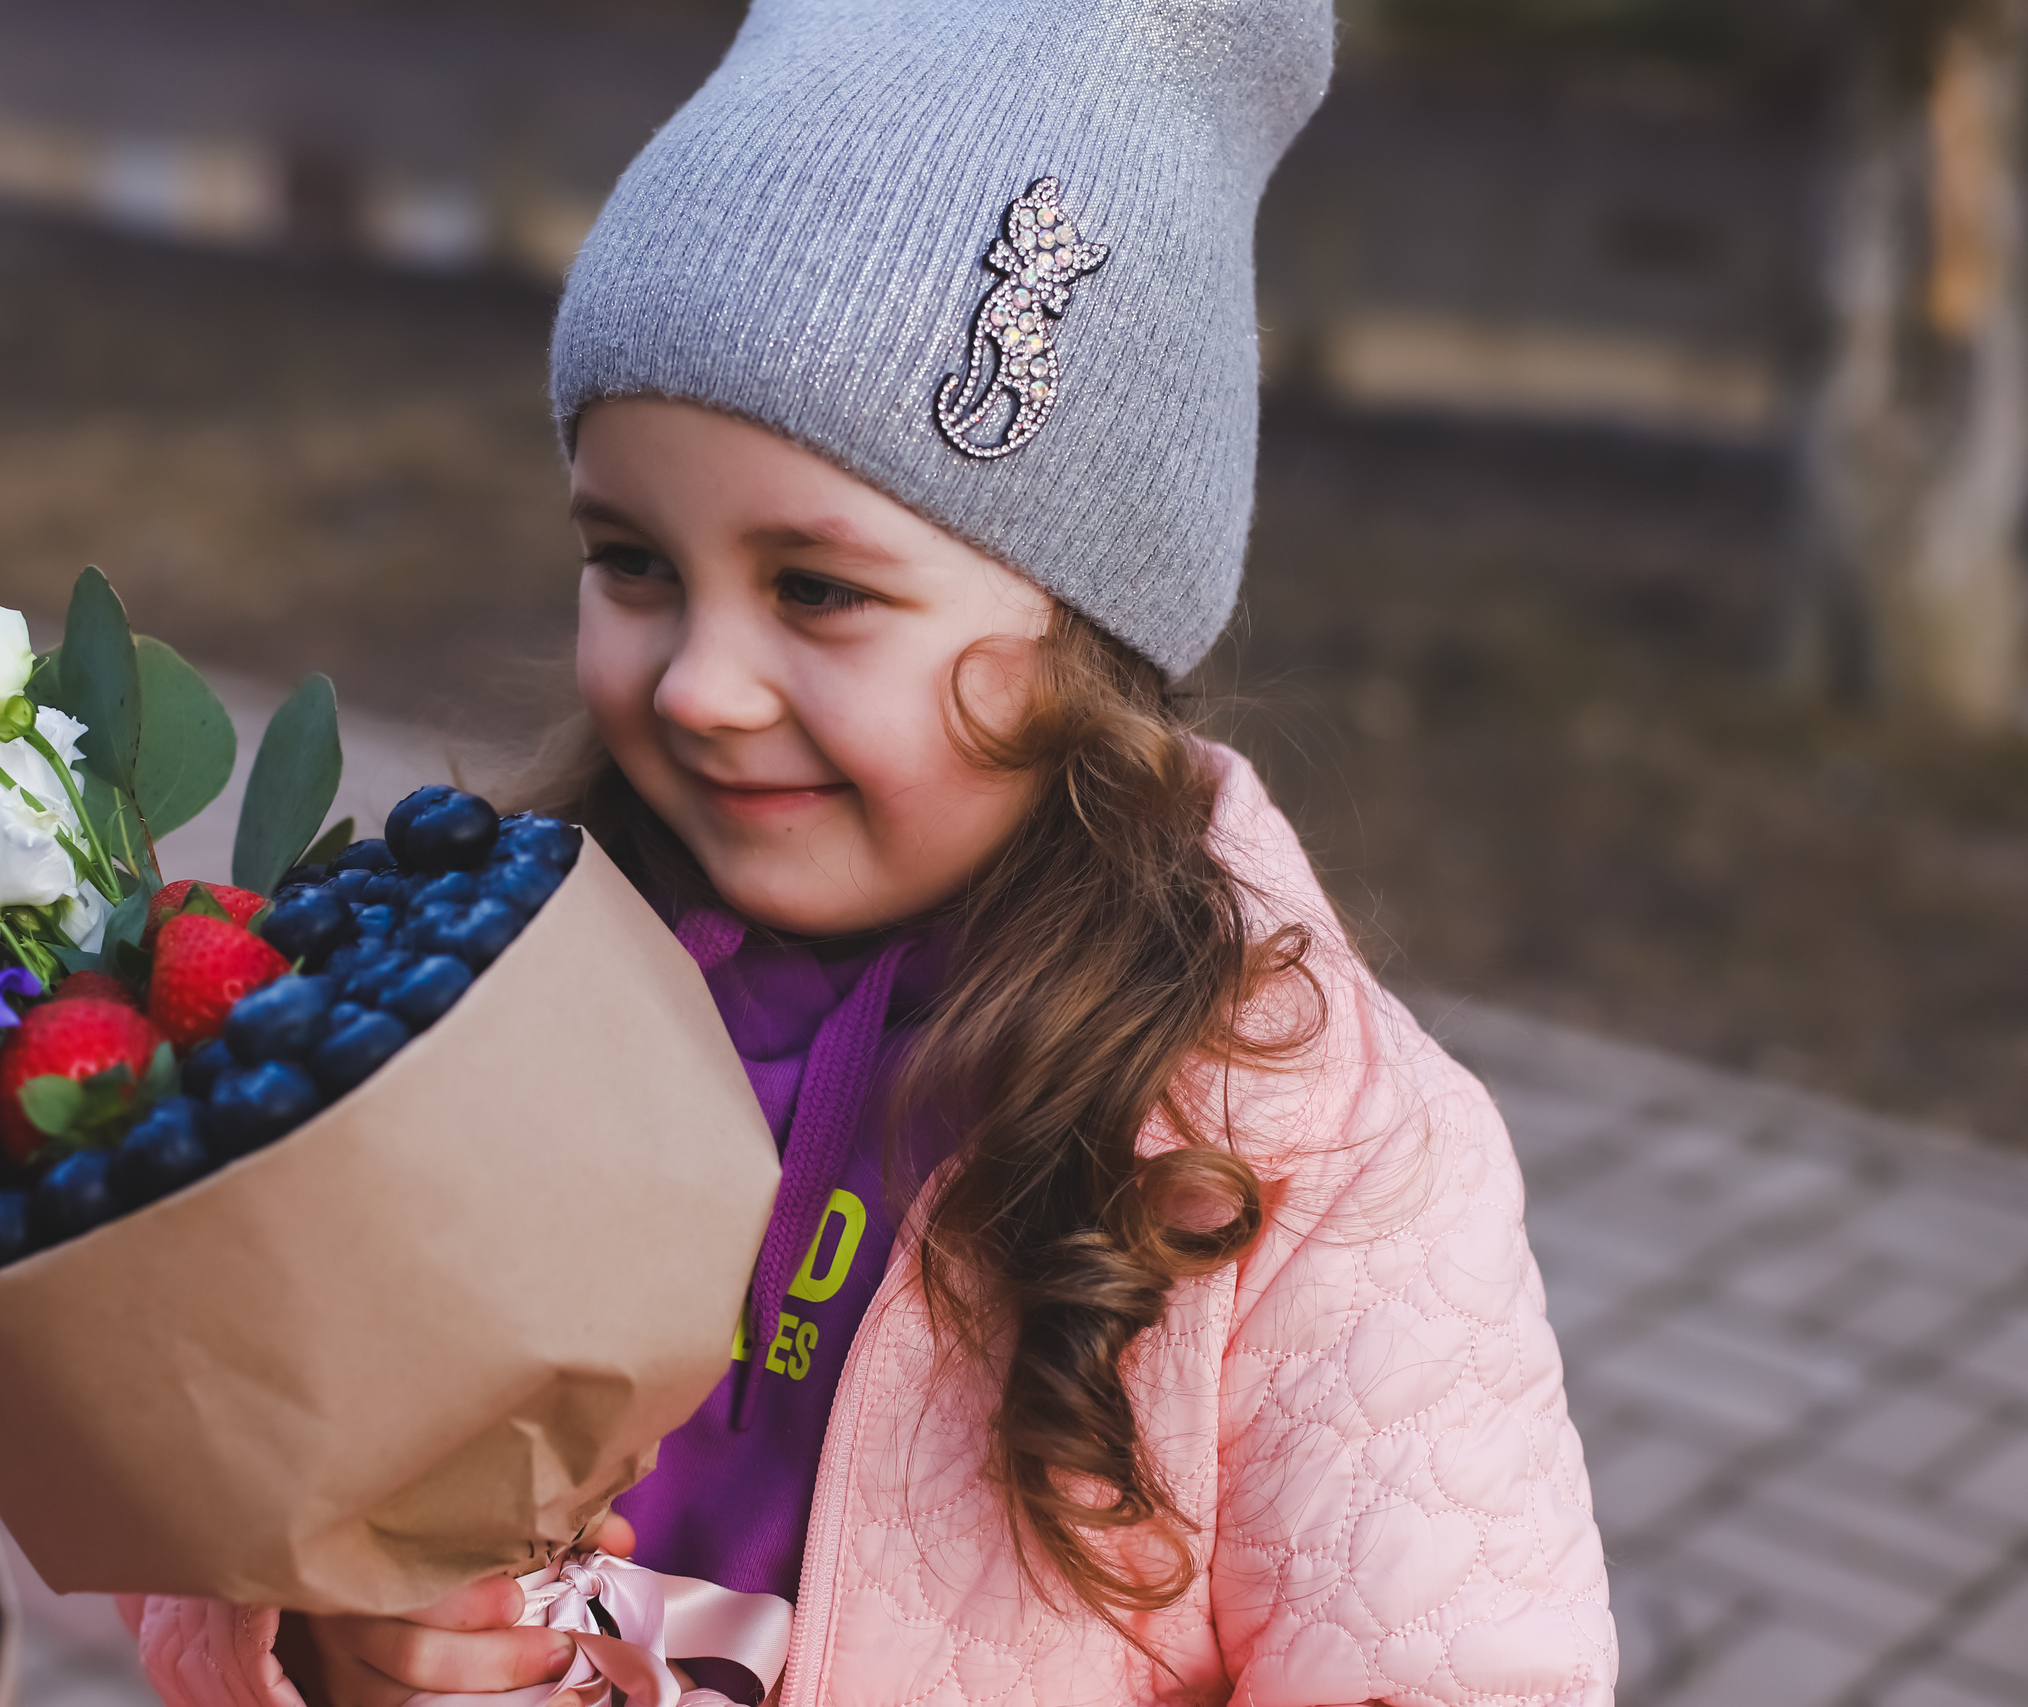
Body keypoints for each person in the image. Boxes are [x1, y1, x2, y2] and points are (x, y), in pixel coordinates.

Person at [126, 0, 1615, 1701]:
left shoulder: (1311, 1147)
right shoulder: (472, 983)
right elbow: (236, 1481)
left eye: (817, 590)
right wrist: (323, 1644)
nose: (699, 683)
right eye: (632, 561)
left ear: (1087, 626)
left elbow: (1450, 1660)